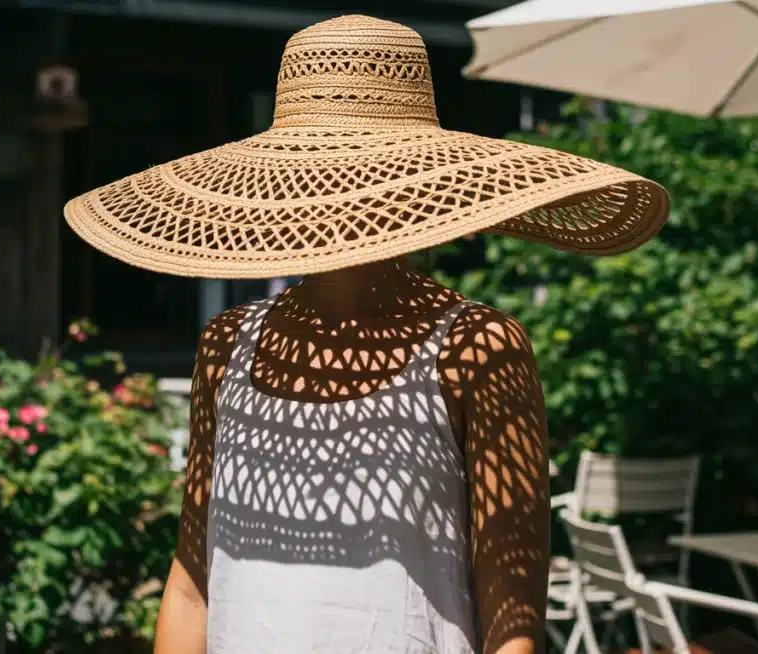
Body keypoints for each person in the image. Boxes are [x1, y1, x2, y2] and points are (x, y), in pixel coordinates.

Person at [63, 15, 669, 654]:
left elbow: (512, 615)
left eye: (356, 170)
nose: (337, 192)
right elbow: (193, 583)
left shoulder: (479, 348)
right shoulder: (227, 343)